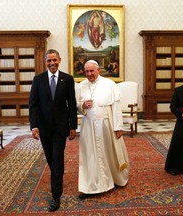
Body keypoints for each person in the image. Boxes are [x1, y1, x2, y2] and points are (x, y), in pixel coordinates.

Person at [29, 49, 77, 211]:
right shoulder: (38, 80)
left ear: (60, 60)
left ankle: (56, 196)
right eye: (49, 61)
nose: (52, 63)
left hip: (60, 128)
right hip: (44, 128)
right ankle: (56, 177)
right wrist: (34, 126)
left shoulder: (68, 80)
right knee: (51, 159)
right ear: (45, 62)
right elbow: (33, 105)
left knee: (57, 158)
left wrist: (73, 126)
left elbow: (71, 104)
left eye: (54, 60)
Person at [76, 60, 129, 199]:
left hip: (107, 125)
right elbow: (77, 106)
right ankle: (93, 186)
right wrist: (83, 105)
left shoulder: (109, 84)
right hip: (88, 126)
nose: (89, 74)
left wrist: (118, 127)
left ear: (98, 70)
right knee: (91, 156)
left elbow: (116, 107)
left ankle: (116, 178)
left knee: (109, 153)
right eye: (86, 71)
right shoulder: (81, 86)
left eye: (91, 71)